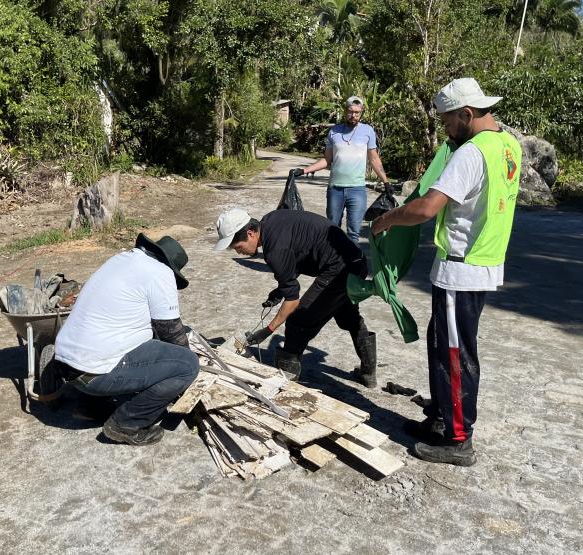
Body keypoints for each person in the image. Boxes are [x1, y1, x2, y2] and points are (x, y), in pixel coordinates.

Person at [371, 77, 522, 466]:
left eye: (447, 121)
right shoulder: (508, 145)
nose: (445, 129)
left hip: (462, 267)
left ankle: (458, 439)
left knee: (454, 354)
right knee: (442, 345)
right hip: (483, 262)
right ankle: (440, 419)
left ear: (466, 114)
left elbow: (426, 208)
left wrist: (386, 220)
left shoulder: (472, 153)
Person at [48, 234, 200, 446]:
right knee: (187, 365)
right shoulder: (160, 272)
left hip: (68, 366)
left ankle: (90, 406)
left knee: (126, 337)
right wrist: (191, 368)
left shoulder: (121, 260)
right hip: (94, 374)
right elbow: (170, 331)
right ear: (171, 267)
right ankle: (126, 423)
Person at [213, 207, 378, 387]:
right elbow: (296, 253)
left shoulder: (274, 251)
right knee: (348, 317)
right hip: (355, 261)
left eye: (238, 247)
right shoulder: (270, 221)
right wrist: (281, 291)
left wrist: (267, 330)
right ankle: (368, 373)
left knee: (297, 322)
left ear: (250, 233)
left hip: (341, 269)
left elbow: (292, 301)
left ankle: (286, 385)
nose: (239, 253)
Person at [296, 96, 390, 244]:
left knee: (353, 233)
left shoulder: (368, 131)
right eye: (351, 111)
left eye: (357, 112)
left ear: (361, 113)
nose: (354, 115)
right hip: (335, 190)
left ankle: (351, 259)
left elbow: (374, 159)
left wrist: (386, 182)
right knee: (333, 230)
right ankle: (332, 258)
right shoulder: (334, 131)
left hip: (357, 190)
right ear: (345, 111)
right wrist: (304, 170)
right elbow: (327, 160)